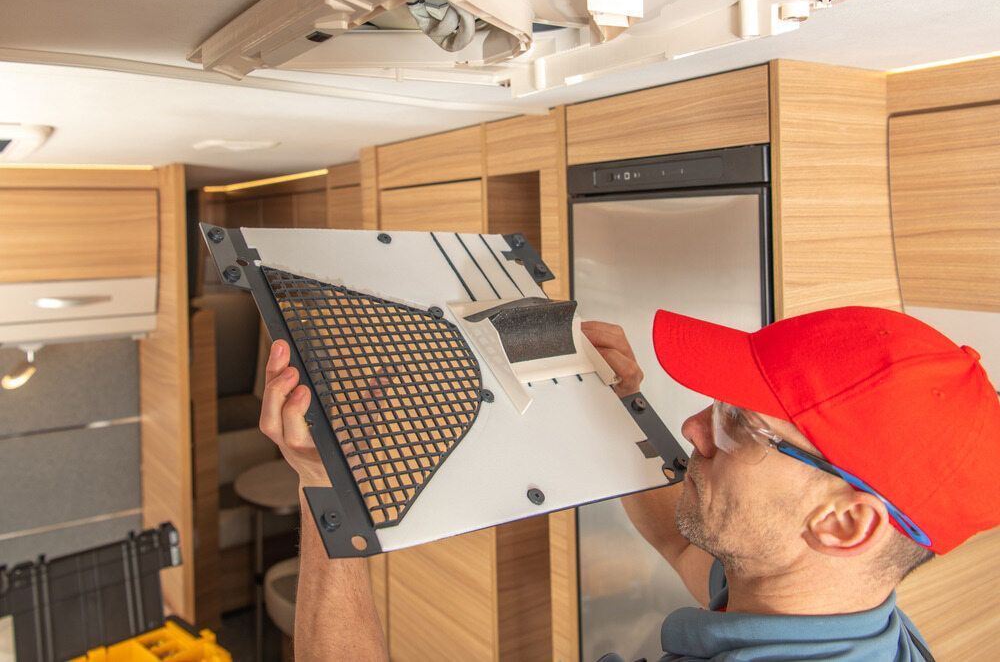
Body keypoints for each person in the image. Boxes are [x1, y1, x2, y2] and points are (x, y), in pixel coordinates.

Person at [259, 305, 1000, 661]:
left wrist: (328, 491)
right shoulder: (843, 623)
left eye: (743, 428)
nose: (694, 433)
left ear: (844, 524)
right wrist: (607, 401)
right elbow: (686, 548)